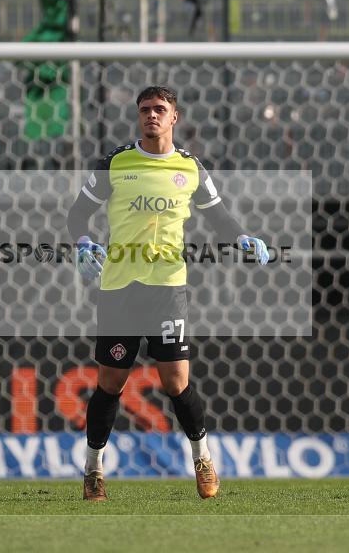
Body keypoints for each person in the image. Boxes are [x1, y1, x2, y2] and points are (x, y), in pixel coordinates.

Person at [66, 85, 269, 501]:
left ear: (174, 117)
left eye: (160, 109)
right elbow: (77, 215)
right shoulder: (116, 163)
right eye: (145, 110)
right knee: (111, 382)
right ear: (138, 116)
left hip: (167, 288)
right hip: (119, 288)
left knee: (176, 381)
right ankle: (94, 470)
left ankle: (203, 461)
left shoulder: (191, 169)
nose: (152, 116)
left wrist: (244, 237)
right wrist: (84, 245)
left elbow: (219, 218)